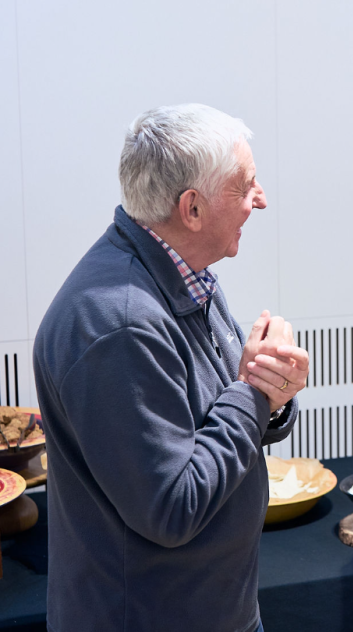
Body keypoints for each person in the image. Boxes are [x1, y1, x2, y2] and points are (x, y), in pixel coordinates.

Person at [32, 104, 309, 632]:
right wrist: (254, 393)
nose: (262, 198)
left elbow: (219, 411)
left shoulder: (186, 273)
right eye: (246, 184)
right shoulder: (121, 324)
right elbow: (172, 507)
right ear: (193, 209)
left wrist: (271, 392)